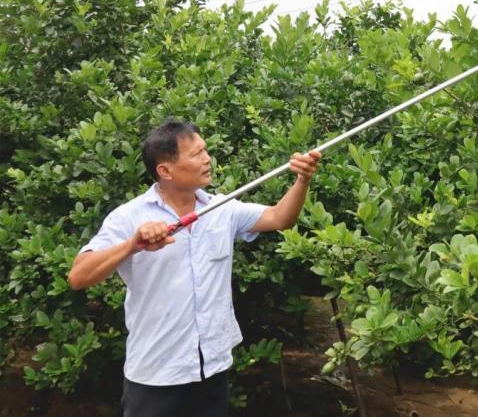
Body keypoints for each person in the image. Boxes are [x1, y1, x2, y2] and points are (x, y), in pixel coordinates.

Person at [67, 118, 322, 417]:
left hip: (211, 369)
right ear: (166, 170)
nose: (207, 159)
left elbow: (280, 218)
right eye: (196, 154)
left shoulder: (222, 209)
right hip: (156, 374)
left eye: (205, 150)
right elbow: (78, 276)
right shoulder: (128, 217)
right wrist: (132, 245)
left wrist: (302, 180)